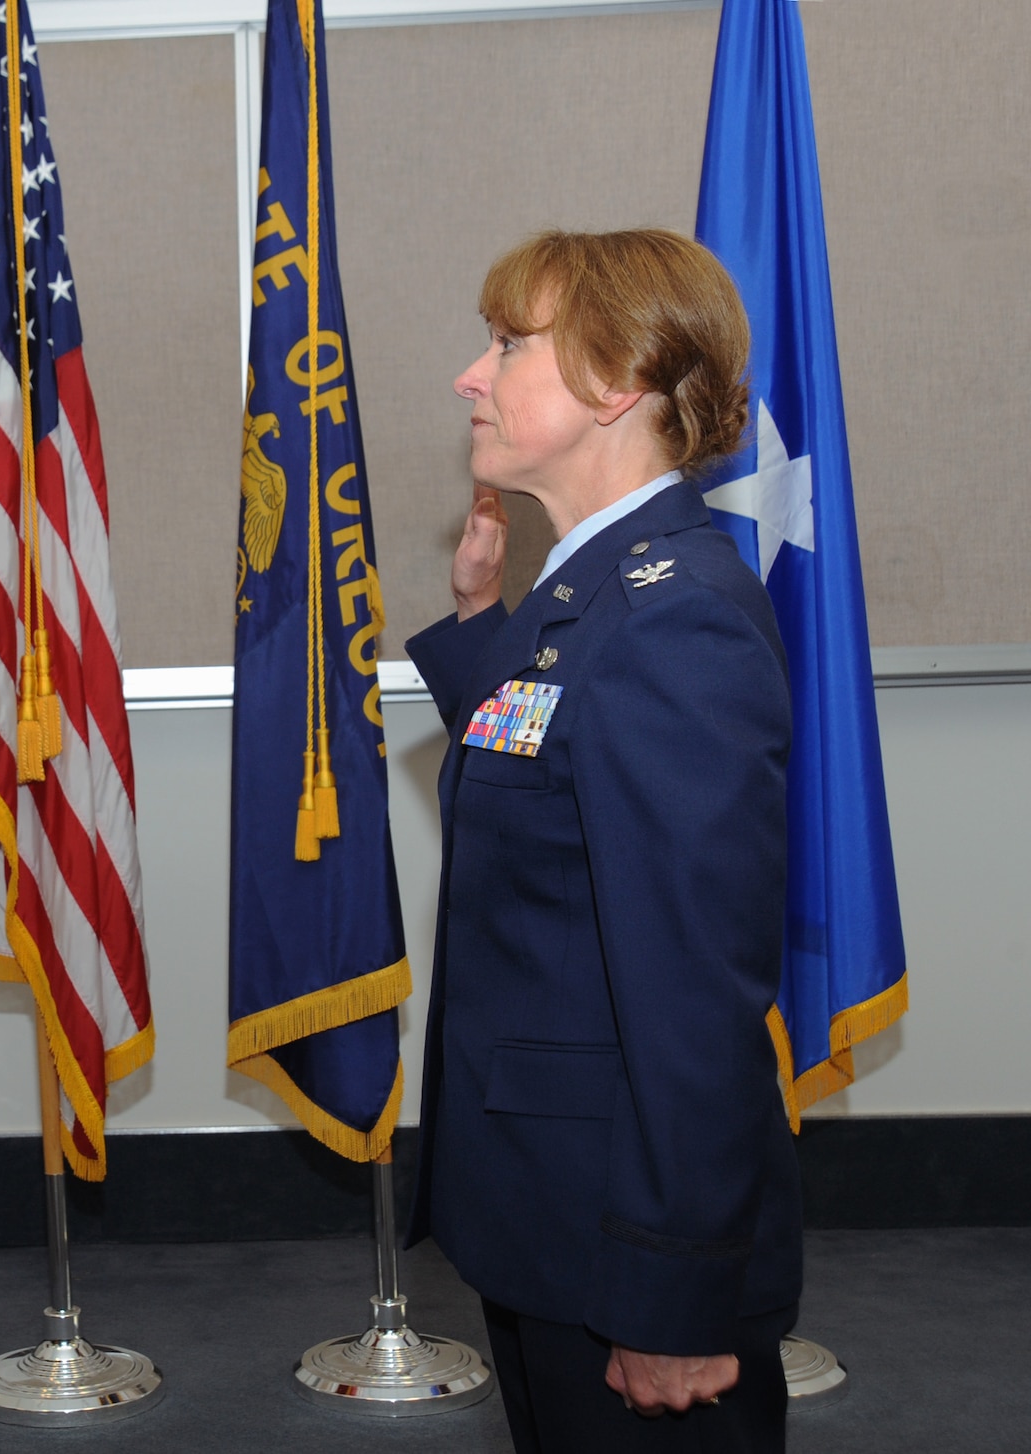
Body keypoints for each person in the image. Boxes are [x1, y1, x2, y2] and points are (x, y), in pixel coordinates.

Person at [404, 229, 803, 1452]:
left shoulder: (671, 624)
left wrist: (672, 1294)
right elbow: (551, 768)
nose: (471, 376)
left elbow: (688, 997)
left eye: (509, 344)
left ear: (613, 380)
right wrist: (482, 617)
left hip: (622, 1253)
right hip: (550, 1218)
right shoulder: (593, 596)